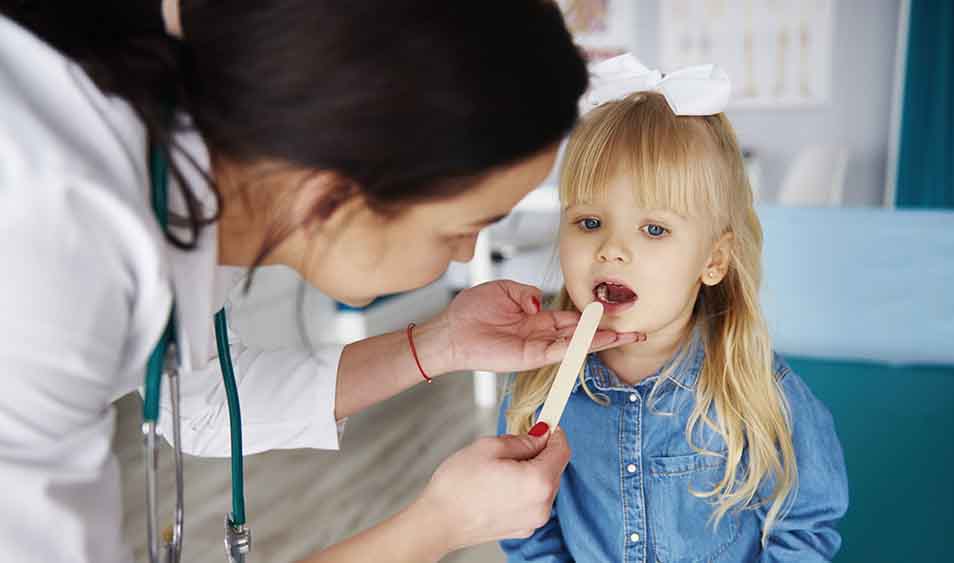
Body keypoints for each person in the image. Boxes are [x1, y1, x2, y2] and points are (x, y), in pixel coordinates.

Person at [0, 2, 645, 561]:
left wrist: (443, 343)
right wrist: (436, 526)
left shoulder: (205, 170)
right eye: (460, 228)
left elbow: (202, 404)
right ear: (335, 198)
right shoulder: (49, 245)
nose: (465, 255)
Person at [500, 56, 849, 562]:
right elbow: (527, 528)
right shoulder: (536, 390)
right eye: (590, 222)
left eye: (655, 229)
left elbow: (807, 524)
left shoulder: (761, 394)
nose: (612, 250)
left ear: (713, 260)